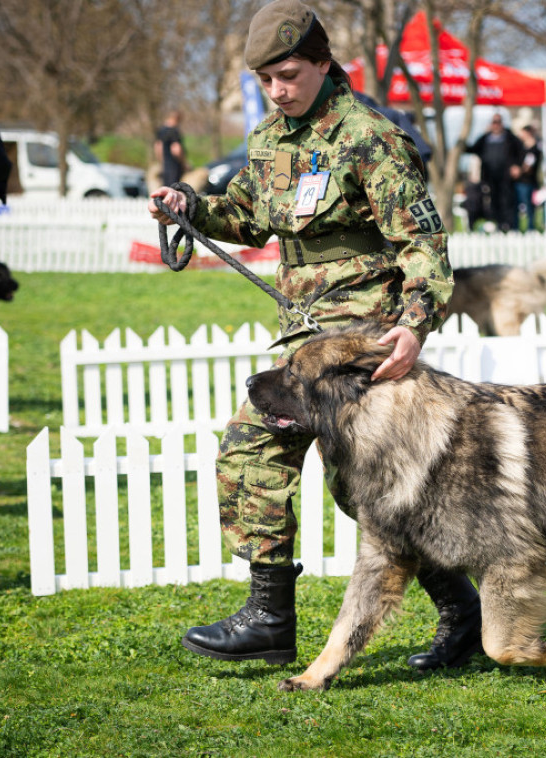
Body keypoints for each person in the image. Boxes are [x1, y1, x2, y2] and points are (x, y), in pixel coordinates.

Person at [149, 0, 482, 672]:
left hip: (362, 348)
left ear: (324, 64)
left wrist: (413, 326)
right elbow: (246, 214)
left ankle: (289, 619)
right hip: (305, 342)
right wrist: (193, 208)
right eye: (266, 79)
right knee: (348, 485)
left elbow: (422, 241)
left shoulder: (369, 138)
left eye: (289, 75)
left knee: (335, 477)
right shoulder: (272, 139)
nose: (277, 90)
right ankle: (286, 617)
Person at [467, 113, 524, 232]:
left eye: (498, 122)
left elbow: (521, 152)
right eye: (494, 122)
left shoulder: (510, 138)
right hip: (490, 177)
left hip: (506, 177)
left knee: (507, 201)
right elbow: (473, 149)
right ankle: (499, 224)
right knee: (494, 202)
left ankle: (510, 226)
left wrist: (517, 166)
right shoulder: (485, 138)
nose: (496, 125)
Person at [514, 124, 541, 231]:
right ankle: (517, 228)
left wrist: (519, 171)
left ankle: (531, 228)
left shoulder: (534, 149)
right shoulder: (520, 147)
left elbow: (528, 167)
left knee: (529, 208)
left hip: (528, 182)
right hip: (519, 182)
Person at [154, 110, 187, 187]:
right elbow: (176, 149)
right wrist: (183, 162)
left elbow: (158, 147)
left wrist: (161, 160)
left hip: (165, 164)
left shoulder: (162, 130)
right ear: (177, 119)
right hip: (174, 165)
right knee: (174, 188)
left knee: (165, 187)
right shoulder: (174, 131)